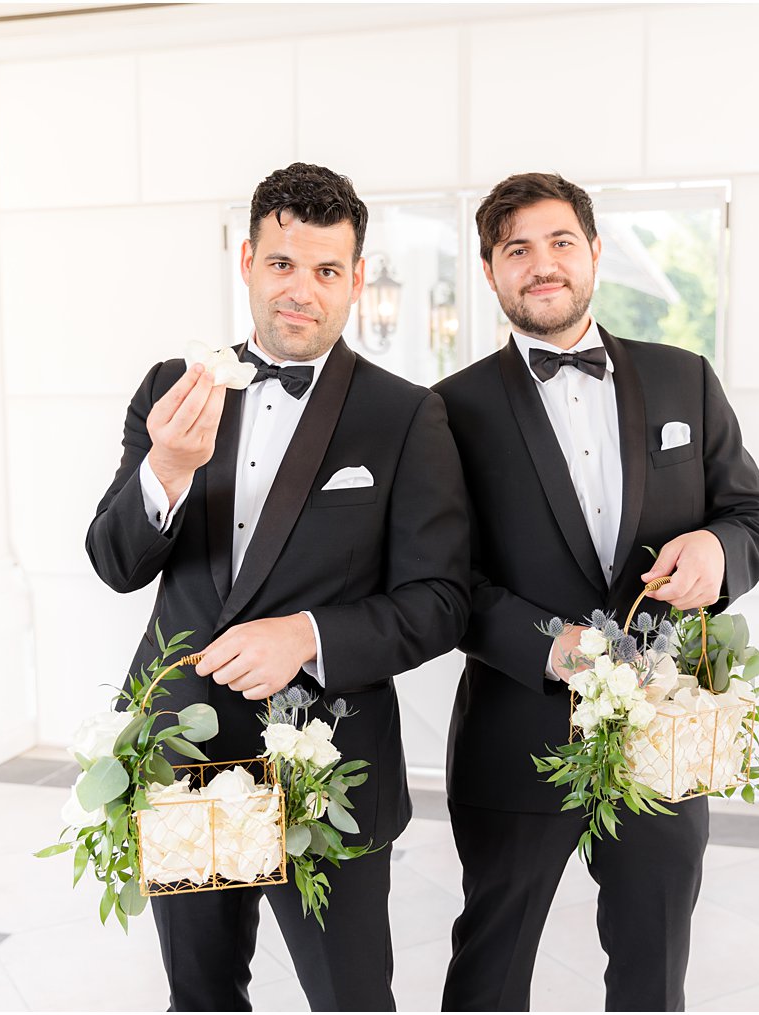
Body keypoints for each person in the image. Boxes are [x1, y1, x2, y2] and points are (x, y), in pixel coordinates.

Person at [85, 162, 470, 1012]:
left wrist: (309, 635)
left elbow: (441, 600)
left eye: (328, 270)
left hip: (328, 766)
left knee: (352, 998)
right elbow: (116, 563)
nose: (302, 290)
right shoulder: (170, 390)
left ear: (357, 279)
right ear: (248, 262)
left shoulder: (406, 416)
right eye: (283, 264)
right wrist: (168, 469)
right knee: (203, 995)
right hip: (183, 755)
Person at [433, 172, 759, 1012]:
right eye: (517, 248)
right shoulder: (446, 410)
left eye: (560, 242)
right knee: (490, 969)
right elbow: (442, 581)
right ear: (491, 271)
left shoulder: (684, 380)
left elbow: (756, 516)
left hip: (662, 741)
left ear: (594, 253)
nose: (541, 263)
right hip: (515, 734)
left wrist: (719, 547)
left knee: (652, 971)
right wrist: (542, 645)